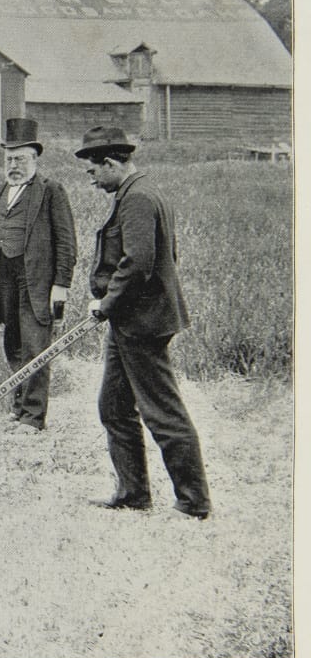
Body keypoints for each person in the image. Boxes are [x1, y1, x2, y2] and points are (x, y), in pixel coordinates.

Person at [76, 125, 212, 520]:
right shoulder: (141, 191)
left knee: (162, 412)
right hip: (131, 321)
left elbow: (138, 263)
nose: (91, 178)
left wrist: (106, 304)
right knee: (114, 407)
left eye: (93, 170)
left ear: (111, 162)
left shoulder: (137, 198)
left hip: (142, 323)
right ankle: (132, 493)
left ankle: (193, 503)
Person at [0, 118, 76, 433]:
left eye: (20, 159)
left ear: (34, 159)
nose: (13, 166)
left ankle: (33, 418)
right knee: (14, 345)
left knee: (36, 347)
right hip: (2, 281)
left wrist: (61, 285)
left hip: (36, 282)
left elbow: (67, 242)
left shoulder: (51, 191)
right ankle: (19, 408)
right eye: (9, 159)